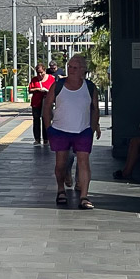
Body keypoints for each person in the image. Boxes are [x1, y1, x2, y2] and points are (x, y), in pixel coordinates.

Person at [44, 53, 102, 209]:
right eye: (69, 66)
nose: (71, 70)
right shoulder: (58, 86)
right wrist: (48, 127)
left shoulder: (90, 87)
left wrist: (93, 126)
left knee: (83, 162)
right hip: (59, 130)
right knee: (60, 164)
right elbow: (47, 106)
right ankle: (61, 189)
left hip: (83, 130)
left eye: (75, 67)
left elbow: (95, 108)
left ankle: (84, 196)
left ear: (83, 70)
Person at [27, 65, 53, 144]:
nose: (40, 75)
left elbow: (55, 89)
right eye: (38, 73)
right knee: (36, 120)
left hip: (47, 103)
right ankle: (37, 139)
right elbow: (30, 89)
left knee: (46, 120)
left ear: (45, 71)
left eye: (41, 73)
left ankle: (46, 139)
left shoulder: (51, 79)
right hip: (36, 103)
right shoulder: (34, 79)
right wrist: (38, 89)